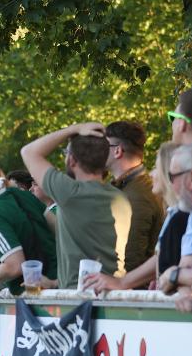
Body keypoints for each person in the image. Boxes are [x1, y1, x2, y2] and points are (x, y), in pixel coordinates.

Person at [21, 123, 131, 289]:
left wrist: (73, 129)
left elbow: (28, 152)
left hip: (80, 301)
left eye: (66, 153)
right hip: (111, 294)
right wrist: (53, 283)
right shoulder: (120, 198)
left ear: (72, 160)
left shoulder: (70, 193)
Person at [85, 142, 187, 292]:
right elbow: (163, 257)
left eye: (156, 168)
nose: (151, 174)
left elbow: (143, 256)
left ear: (169, 174)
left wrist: (122, 283)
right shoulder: (175, 213)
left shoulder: (182, 216)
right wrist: (158, 275)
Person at [0, 145, 57, 294]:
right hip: (58, 286)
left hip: (34, 298)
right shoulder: (23, 195)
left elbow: (15, 266)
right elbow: (60, 231)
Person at [105, 121, 165, 271]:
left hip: (130, 291)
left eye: (102, 146)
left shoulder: (137, 195)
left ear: (117, 151)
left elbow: (130, 257)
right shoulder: (128, 187)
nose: (97, 151)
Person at [157, 143, 192, 308]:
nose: (171, 185)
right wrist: (187, 291)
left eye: (172, 177)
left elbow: (178, 273)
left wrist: (174, 274)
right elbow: (184, 268)